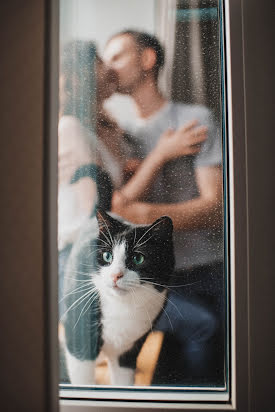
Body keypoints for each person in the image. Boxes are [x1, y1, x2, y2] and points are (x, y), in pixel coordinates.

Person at [103, 30, 224, 383]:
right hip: (139, 279)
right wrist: (157, 158)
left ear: (147, 60)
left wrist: (140, 214)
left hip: (203, 270)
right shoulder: (117, 134)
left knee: (196, 380)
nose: (109, 68)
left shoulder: (194, 119)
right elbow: (114, 208)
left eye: (117, 57)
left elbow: (214, 208)